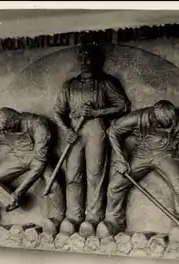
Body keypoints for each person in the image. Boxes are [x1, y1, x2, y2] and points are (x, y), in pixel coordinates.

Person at [101, 100, 179, 241]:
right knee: (115, 186)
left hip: (166, 155)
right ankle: (113, 222)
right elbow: (112, 130)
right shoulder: (140, 116)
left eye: (170, 124)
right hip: (140, 153)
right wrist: (120, 157)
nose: (166, 128)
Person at [53, 44, 131, 238]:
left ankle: (93, 218)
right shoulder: (69, 85)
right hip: (74, 133)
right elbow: (57, 112)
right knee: (73, 175)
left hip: (96, 130)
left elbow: (122, 105)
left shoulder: (105, 82)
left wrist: (97, 112)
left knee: (95, 175)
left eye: (88, 59)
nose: (84, 63)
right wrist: (66, 130)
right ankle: (73, 217)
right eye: (81, 59)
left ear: (97, 61)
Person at [0, 107, 64, 232]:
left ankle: (56, 219)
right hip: (18, 155)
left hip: (39, 156)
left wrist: (19, 192)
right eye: (4, 129)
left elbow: (38, 164)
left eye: (9, 128)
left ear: (15, 120)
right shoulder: (0, 128)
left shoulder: (38, 124)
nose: (6, 132)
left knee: (52, 181)